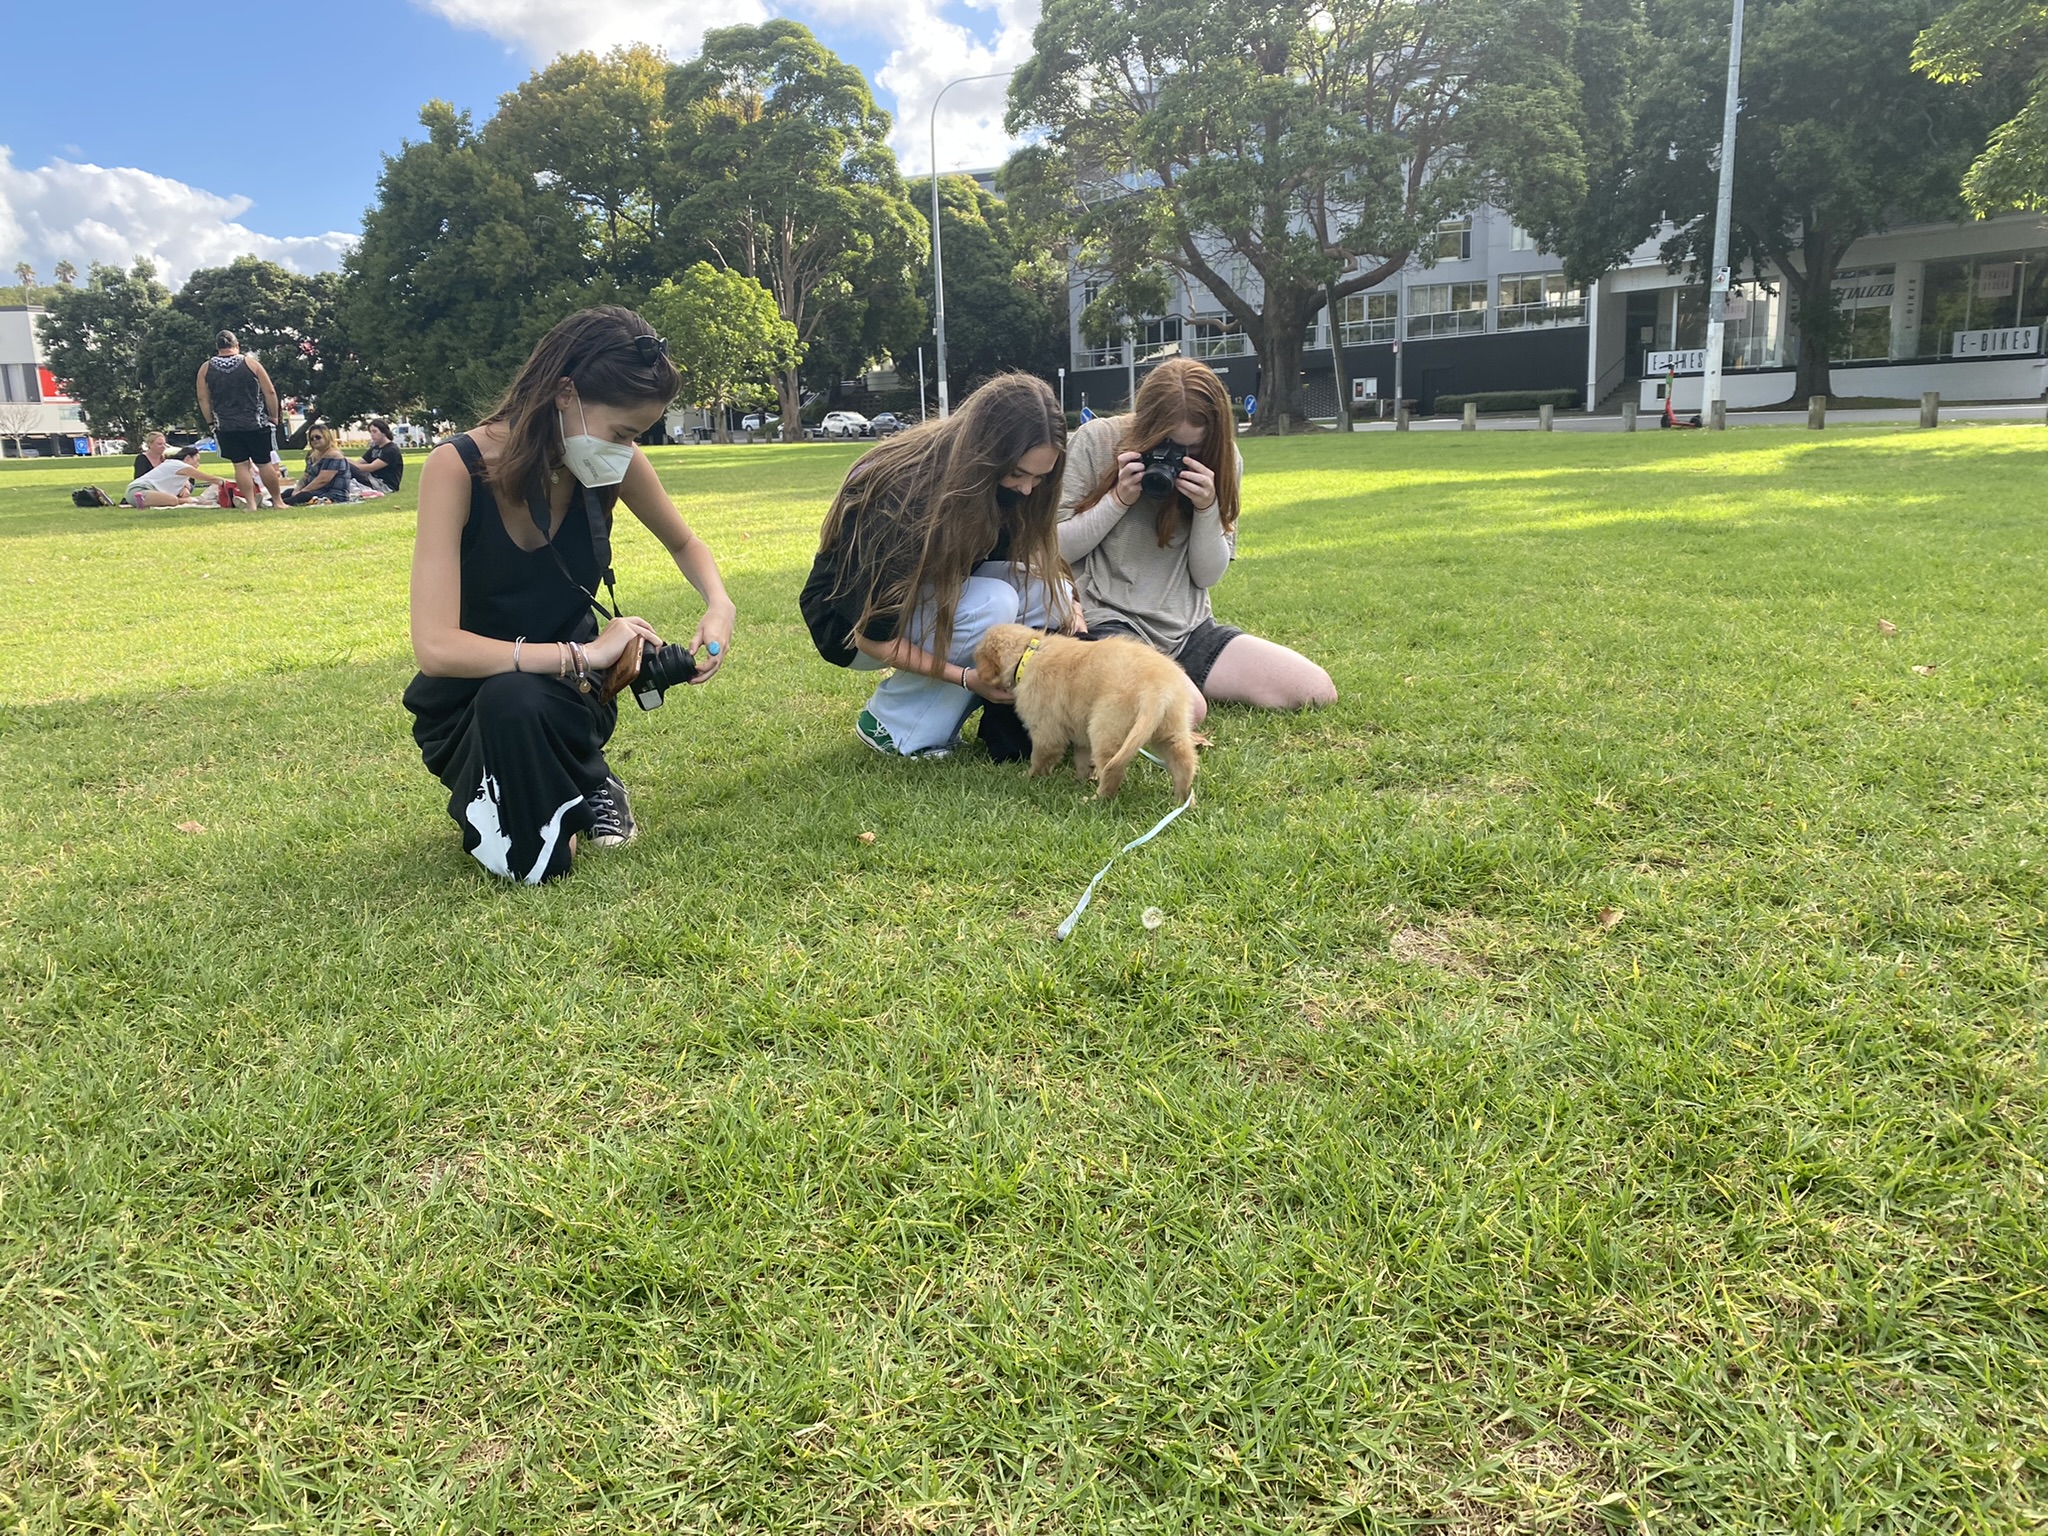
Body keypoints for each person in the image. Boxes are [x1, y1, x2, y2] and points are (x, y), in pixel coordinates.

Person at [404, 305, 736, 884]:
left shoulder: (611, 463)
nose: (626, 449)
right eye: (623, 432)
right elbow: (436, 648)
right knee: (534, 853)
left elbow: (685, 543)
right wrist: (585, 653)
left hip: (570, 696)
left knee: (536, 841)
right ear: (565, 392)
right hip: (470, 704)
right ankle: (578, 781)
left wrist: (719, 603)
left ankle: (584, 776)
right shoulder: (454, 468)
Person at [801, 373, 1073, 759]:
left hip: (927, 595)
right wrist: (966, 679)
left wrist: (1071, 609)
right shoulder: (906, 495)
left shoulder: (1003, 488)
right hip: (847, 626)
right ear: (985, 453)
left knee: (1052, 594)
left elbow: (1027, 564)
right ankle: (892, 726)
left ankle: (999, 723)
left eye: (1040, 477)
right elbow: (871, 635)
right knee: (993, 603)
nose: (1028, 489)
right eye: (1017, 474)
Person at [1058, 358, 1335, 722]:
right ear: (1146, 427)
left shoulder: (1224, 458)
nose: (1179, 459)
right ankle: (1140, 685)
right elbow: (1058, 548)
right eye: (1168, 445)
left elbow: (1207, 576)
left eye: (1195, 448)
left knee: (1314, 689)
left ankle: (1158, 681)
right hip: (1107, 618)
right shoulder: (1098, 440)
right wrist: (1118, 499)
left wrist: (1207, 508)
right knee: (1188, 711)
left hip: (1188, 626)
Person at [195, 330, 287, 510]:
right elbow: (270, 392)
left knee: (240, 465)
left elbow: (203, 398)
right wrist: (274, 416)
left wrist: (211, 422)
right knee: (264, 462)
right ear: (236, 345)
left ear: (218, 347)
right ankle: (278, 501)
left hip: (226, 425)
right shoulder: (251, 364)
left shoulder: (206, 368)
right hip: (255, 423)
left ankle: (251, 504)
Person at [124, 445, 225, 508]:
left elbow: (184, 481)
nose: (198, 464)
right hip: (139, 490)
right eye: (196, 460)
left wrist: (185, 488)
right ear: (188, 458)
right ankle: (195, 501)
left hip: (142, 490)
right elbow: (207, 478)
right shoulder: (180, 465)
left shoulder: (174, 465)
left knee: (172, 499)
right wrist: (226, 482)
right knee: (173, 500)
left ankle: (144, 502)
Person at [282, 425, 354, 505]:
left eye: (318, 437)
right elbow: (306, 475)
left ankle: (279, 504)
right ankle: (272, 501)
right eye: (311, 438)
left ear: (326, 437)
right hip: (316, 491)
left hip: (333, 494)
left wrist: (302, 491)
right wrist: (297, 490)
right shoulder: (313, 455)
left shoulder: (334, 455)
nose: (314, 440)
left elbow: (322, 480)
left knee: (302, 496)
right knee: (288, 492)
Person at [348, 419, 404, 494]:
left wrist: (351, 466)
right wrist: (343, 460)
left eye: (374, 431)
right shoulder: (374, 448)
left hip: (384, 485)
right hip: (372, 480)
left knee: (349, 472)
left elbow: (372, 467)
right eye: (370, 432)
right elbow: (358, 462)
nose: (372, 434)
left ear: (384, 432)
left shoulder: (391, 450)